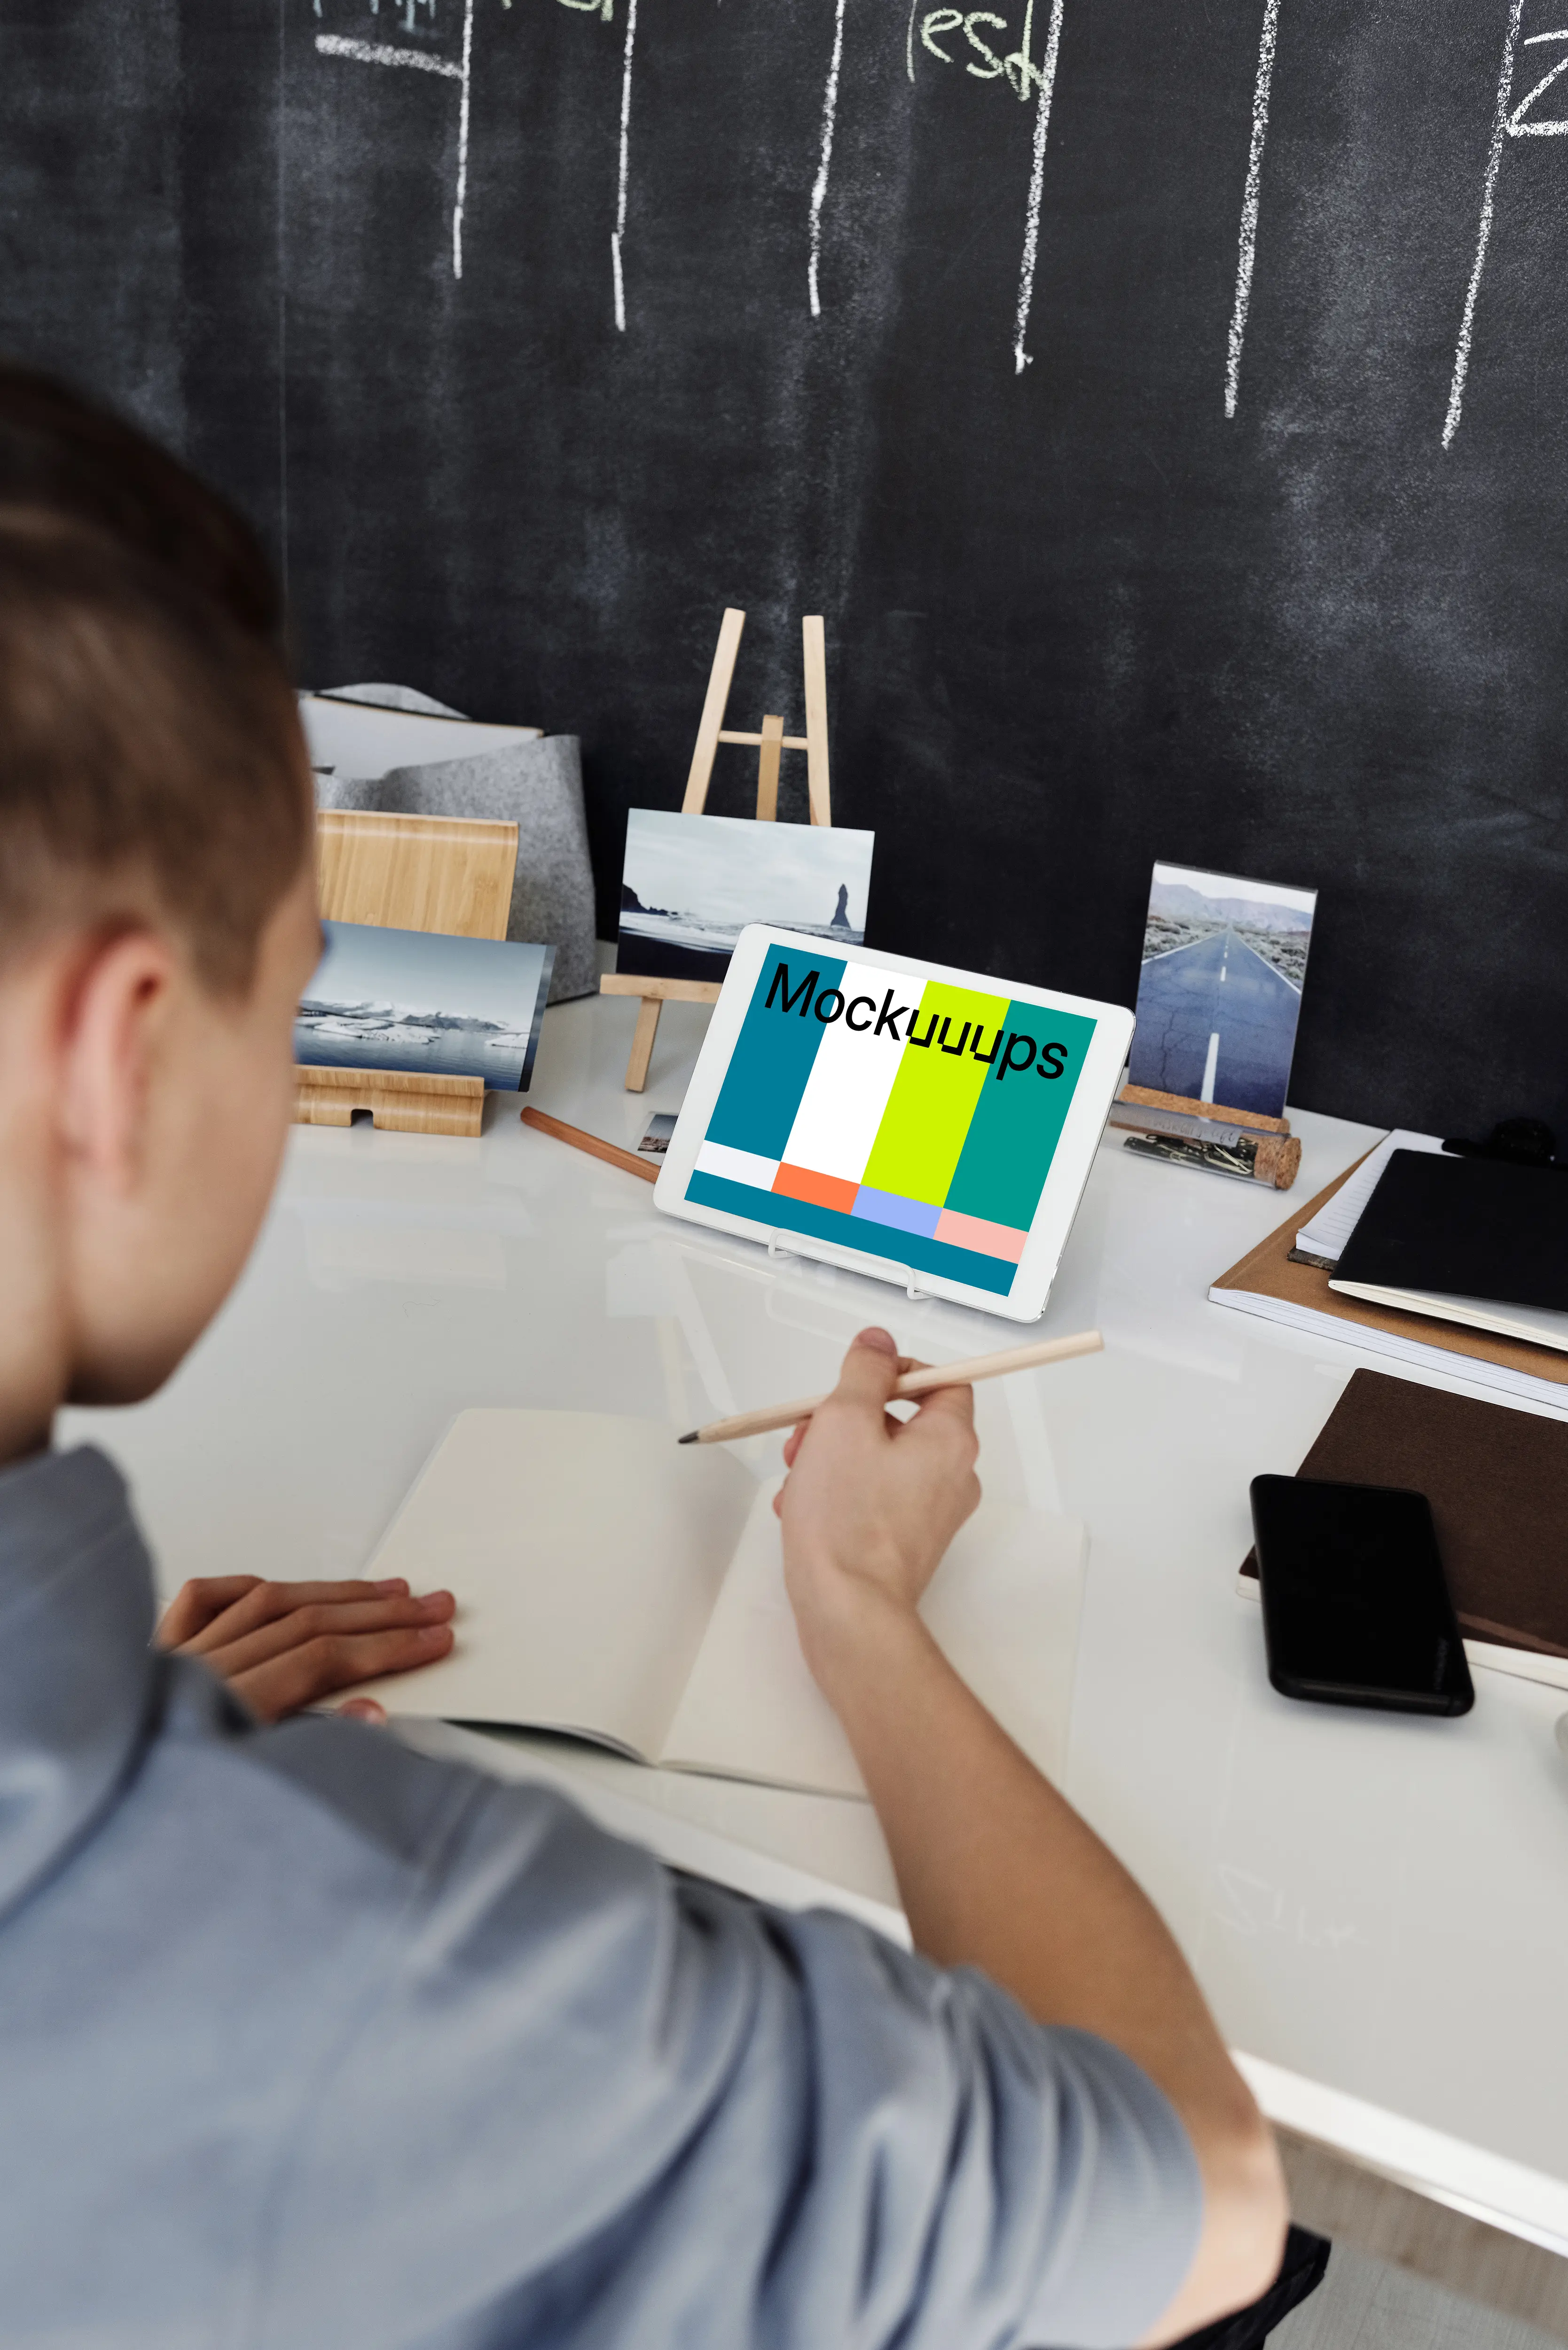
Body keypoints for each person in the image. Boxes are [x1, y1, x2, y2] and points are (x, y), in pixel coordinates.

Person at [0, 401, 1286, 2346]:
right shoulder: (409, 1975)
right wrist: (858, 1605)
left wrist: (135, 1738)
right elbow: (1202, 2199)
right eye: (296, 978)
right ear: (121, 1057)